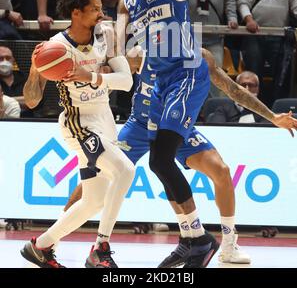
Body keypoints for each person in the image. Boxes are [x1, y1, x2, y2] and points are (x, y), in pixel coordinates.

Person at [64, 46, 297, 266]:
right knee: (97, 177)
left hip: (176, 125)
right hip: (140, 124)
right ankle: (57, 231)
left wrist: (272, 116)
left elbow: (233, 89)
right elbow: (107, 65)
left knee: (222, 171)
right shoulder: (142, 54)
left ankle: (228, 244)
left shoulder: (200, 57)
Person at [118, 0, 219, 268]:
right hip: (157, 81)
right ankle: (194, 238)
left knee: (161, 157)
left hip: (186, 74)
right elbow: (123, 32)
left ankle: (200, 241)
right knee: (159, 164)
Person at [21, 0, 135, 268]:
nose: (101, 13)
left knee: (94, 200)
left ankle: (41, 246)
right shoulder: (56, 48)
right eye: (95, 9)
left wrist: (93, 77)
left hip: (105, 120)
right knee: (125, 170)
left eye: (101, 8)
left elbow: (126, 81)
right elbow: (32, 101)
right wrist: (36, 72)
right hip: (78, 123)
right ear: (76, 13)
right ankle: (101, 248)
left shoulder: (107, 34)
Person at [237, 0, 297, 103]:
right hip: (255, 33)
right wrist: (248, 19)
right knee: (254, 74)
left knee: (283, 76)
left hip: (281, 34)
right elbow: (243, 1)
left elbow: (296, 2)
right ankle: (254, 109)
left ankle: (280, 109)